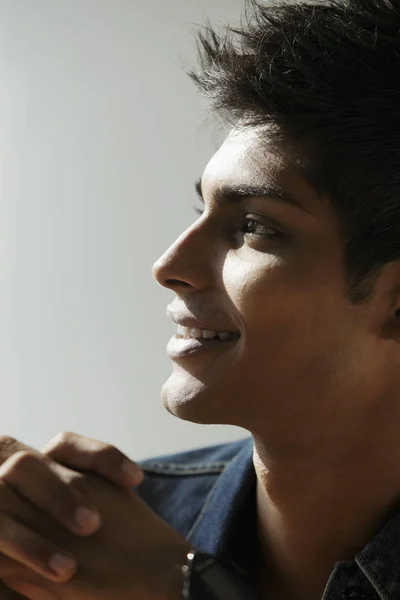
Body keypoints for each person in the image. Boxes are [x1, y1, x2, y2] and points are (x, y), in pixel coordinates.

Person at [1, 0, 400, 598]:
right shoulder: (69, 545)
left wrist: (183, 589)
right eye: (202, 210)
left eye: (255, 226)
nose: (169, 267)